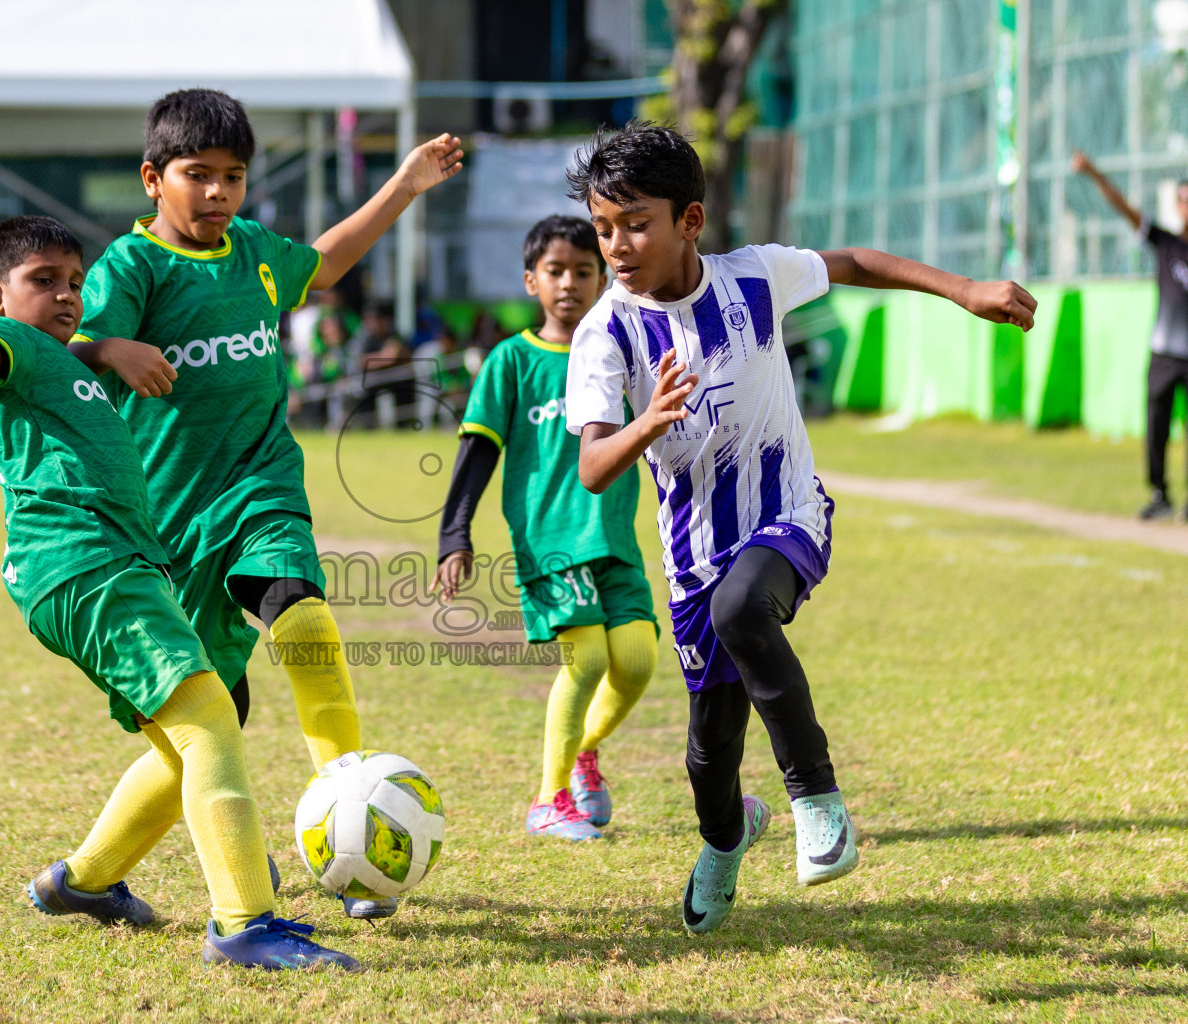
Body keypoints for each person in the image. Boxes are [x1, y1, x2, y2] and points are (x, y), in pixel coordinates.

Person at [563, 123, 1036, 935]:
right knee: (707, 757)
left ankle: (817, 799)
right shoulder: (605, 332)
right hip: (694, 557)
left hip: (788, 516)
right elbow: (594, 465)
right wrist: (650, 422)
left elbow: (854, 263)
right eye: (605, 228)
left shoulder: (755, 278)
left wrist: (964, 290)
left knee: (743, 610)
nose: (617, 245)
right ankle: (725, 839)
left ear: (691, 220)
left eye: (636, 222)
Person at [0, 215, 357, 971]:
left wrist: (104, 347)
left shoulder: (59, 359)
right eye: (45, 282)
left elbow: (60, 351)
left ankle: (83, 882)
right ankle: (245, 926)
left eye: (75, 281)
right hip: (84, 566)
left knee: (187, 743)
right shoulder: (7, 346)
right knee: (209, 719)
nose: (67, 295)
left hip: (118, 565)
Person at [67, 90, 462, 920]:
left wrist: (403, 184)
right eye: (197, 176)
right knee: (202, 742)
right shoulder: (130, 270)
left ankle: (353, 823)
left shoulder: (252, 251)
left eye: (234, 177)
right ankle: (83, 878)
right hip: (172, 527)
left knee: (305, 620)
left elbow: (324, 260)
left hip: (261, 486)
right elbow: (63, 344)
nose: (218, 194)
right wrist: (112, 347)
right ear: (153, 179)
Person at [431, 214, 659, 841]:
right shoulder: (512, 359)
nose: (570, 283)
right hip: (550, 538)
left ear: (603, 276)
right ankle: (549, 798)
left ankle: (582, 753)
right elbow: (478, 450)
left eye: (584, 271)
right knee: (585, 660)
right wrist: (456, 536)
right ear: (531, 281)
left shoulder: (620, 347)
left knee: (636, 662)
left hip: (613, 534)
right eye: (555, 271)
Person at [1072, 152, 1188, 520]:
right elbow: (1123, 206)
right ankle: (1161, 495)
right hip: (1165, 352)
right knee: (1157, 426)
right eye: (1186, 198)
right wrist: (1093, 172)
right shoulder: (1166, 243)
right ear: (1178, 204)